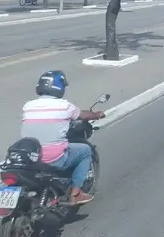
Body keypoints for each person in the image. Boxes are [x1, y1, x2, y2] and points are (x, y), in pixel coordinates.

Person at [21, 71, 105, 205]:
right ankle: (76, 194)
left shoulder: (28, 106)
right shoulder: (64, 106)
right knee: (85, 151)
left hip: (30, 156)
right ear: (59, 87)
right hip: (53, 158)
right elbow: (83, 115)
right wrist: (96, 114)